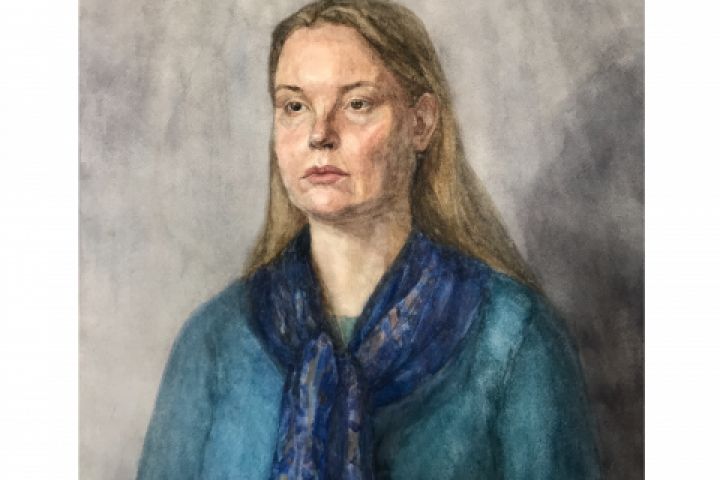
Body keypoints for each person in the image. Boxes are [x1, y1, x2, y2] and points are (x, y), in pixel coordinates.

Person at [137, 1, 600, 478]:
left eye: (357, 104)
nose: (320, 134)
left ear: (421, 123)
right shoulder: (214, 341)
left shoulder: (512, 337)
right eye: (295, 106)